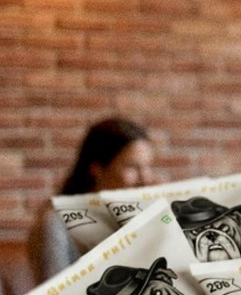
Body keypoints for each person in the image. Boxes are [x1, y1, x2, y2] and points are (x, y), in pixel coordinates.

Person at [28, 117, 158, 279]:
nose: (146, 180)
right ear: (96, 169)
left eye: (148, 167)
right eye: (132, 167)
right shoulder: (56, 222)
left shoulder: (138, 217)